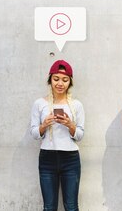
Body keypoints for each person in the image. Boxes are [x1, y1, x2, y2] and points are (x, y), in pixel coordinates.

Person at [30, 60, 85, 211]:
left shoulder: (76, 105)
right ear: (50, 80)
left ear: (70, 82)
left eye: (65, 80)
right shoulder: (39, 104)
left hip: (71, 159)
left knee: (72, 206)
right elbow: (34, 134)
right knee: (49, 207)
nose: (60, 83)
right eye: (56, 79)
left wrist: (69, 124)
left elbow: (80, 135)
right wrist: (44, 125)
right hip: (47, 158)